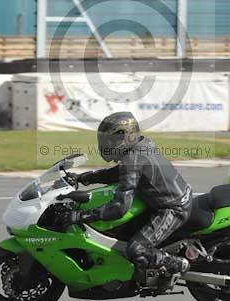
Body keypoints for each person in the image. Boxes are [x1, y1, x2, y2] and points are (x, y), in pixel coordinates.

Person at [60, 111, 192, 281]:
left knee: (137, 249)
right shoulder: (141, 145)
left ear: (125, 136)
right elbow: (120, 173)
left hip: (174, 208)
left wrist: (81, 216)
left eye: (111, 140)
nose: (107, 144)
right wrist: (86, 177)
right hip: (170, 199)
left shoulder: (133, 158)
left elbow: (119, 208)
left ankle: (177, 263)